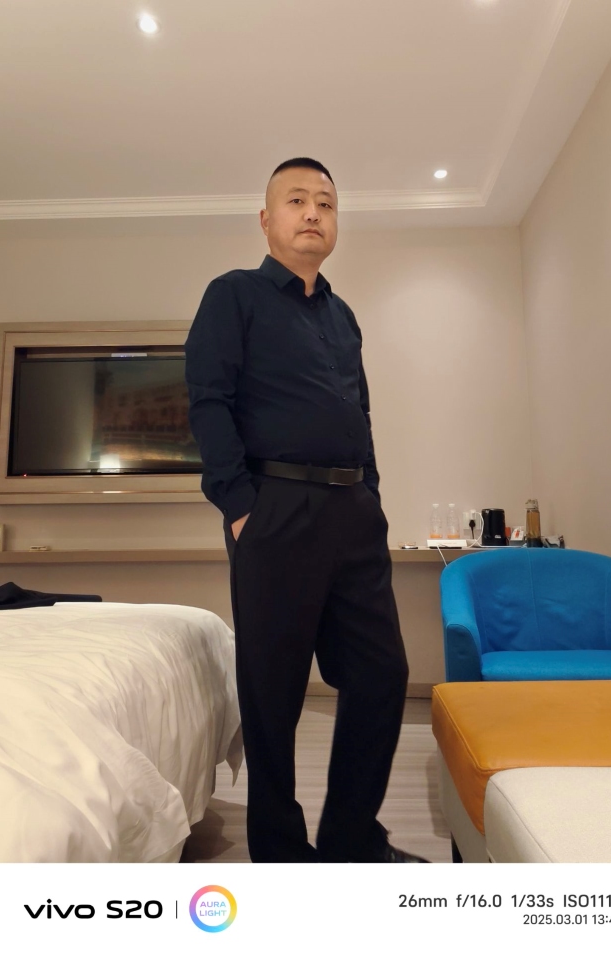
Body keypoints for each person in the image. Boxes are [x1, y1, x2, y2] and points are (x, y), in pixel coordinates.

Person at [185, 157, 428, 863]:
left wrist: (371, 494)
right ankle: (282, 854)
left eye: (326, 201)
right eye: (296, 200)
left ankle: (353, 840)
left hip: (354, 513)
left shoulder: (343, 317)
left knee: (381, 674)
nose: (314, 211)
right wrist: (240, 506)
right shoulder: (233, 295)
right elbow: (208, 401)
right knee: (274, 692)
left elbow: (360, 413)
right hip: (275, 510)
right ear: (267, 220)